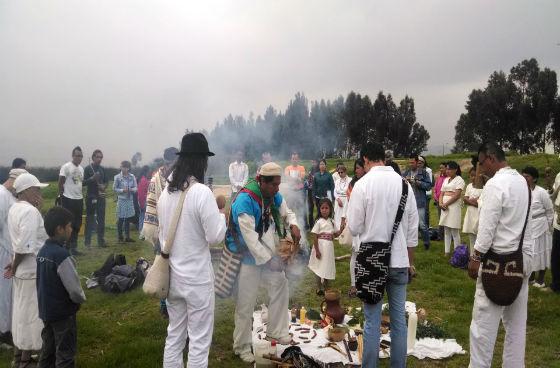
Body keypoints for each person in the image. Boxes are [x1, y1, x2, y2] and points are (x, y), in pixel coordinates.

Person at [157, 133, 226, 368]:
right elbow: (215, 236)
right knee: (198, 341)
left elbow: (162, 235)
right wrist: (221, 215)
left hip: (173, 278)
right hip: (196, 280)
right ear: (201, 161)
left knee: (174, 336)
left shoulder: (165, 193)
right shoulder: (202, 192)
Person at [347, 142, 418, 368]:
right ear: (384, 158)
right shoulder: (404, 185)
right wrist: (410, 262)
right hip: (398, 261)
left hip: (371, 261)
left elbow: (355, 227)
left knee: (371, 321)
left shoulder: (362, 185)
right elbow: (413, 230)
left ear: (366, 159)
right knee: (398, 320)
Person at [226, 162, 301, 364]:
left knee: (280, 284)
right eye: (274, 185)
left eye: (278, 184)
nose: (278, 189)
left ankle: (275, 331)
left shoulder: (272, 194)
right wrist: (270, 261)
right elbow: (250, 240)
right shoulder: (244, 201)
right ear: (262, 182)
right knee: (246, 302)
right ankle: (241, 346)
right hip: (246, 256)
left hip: (264, 251)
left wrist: (293, 224)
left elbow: (287, 211)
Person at [467, 143, 533, 367]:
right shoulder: (524, 183)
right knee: (516, 328)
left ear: (492, 159)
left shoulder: (496, 185)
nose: (481, 168)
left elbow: (487, 227)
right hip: (519, 262)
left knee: (482, 330)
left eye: (482, 162)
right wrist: (527, 262)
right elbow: (529, 226)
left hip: (495, 263)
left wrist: (476, 257)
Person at [4, 173, 49, 367]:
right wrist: (14, 264)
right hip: (31, 270)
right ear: (27, 191)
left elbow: (18, 241)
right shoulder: (30, 212)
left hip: (23, 269)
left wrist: (14, 261)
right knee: (32, 314)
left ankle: (20, 355)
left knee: (21, 313)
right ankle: (28, 357)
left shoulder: (15, 208)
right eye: (37, 189)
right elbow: (25, 244)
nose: (39, 193)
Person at [37, 206, 86, 368]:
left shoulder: (42, 252)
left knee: (47, 351)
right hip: (63, 313)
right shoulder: (62, 255)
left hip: (46, 311)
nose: (71, 229)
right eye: (69, 226)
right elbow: (74, 289)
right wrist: (80, 299)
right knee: (65, 354)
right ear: (60, 229)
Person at [142, 147, 178, 319]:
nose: (174, 165)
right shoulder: (156, 179)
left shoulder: (180, 177)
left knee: (175, 268)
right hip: (161, 230)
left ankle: (175, 300)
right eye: (172, 162)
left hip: (177, 230)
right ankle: (164, 304)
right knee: (163, 266)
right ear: (166, 162)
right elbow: (151, 204)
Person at [0, 168, 27, 346]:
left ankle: (8, 329)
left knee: (10, 292)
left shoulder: (10, 195)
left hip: (10, 249)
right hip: (3, 250)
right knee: (4, 292)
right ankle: (3, 332)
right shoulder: (1, 195)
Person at [521, 166, 554, 288]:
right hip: (528, 227)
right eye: (523, 176)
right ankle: (531, 278)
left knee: (542, 251)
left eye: (527, 176)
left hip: (541, 227)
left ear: (534, 179)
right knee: (530, 252)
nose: (524, 178)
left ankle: (541, 280)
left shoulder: (541, 192)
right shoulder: (522, 191)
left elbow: (549, 211)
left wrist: (549, 227)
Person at [308, 198, 343, 295]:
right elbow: (314, 236)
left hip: (329, 249)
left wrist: (341, 230)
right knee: (319, 267)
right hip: (320, 247)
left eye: (326, 208)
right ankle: (319, 288)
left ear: (330, 209)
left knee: (327, 266)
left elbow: (335, 234)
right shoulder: (318, 222)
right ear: (319, 209)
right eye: (322, 208)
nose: (324, 210)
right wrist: (317, 251)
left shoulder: (332, 222)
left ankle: (327, 287)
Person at [58, 147, 84, 255]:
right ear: (73, 156)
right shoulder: (66, 167)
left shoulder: (82, 169)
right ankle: (65, 248)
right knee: (68, 224)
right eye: (77, 155)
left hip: (79, 199)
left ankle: (74, 248)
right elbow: (60, 182)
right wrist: (60, 195)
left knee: (78, 224)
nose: (79, 158)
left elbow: (79, 183)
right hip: (68, 199)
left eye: (81, 156)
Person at [402, 155, 432, 250]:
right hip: (408, 202)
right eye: (409, 162)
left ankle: (427, 243)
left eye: (413, 162)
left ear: (417, 162)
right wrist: (405, 182)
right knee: (407, 223)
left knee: (422, 225)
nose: (411, 164)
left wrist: (417, 182)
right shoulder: (406, 172)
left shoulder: (424, 173)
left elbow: (428, 186)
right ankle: (408, 244)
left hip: (419, 202)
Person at [346, 159, 365, 298]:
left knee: (365, 255)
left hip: (368, 224)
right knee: (355, 254)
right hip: (356, 221)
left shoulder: (370, 182)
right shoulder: (352, 184)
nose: (357, 170)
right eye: (356, 168)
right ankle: (353, 284)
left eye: (359, 168)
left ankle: (363, 283)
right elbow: (351, 203)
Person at [438, 161, 465, 256]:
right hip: (444, 206)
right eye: (447, 169)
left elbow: (457, 195)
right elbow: (442, 193)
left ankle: (457, 253)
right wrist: (441, 203)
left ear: (455, 170)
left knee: (454, 230)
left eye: (449, 169)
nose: (447, 171)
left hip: (453, 206)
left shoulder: (459, 180)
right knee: (446, 229)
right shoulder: (446, 179)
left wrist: (446, 204)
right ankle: (447, 251)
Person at [83, 149, 108, 248]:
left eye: (101, 157)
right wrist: (92, 178)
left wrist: (104, 186)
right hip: (91, 197)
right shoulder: (88, 169)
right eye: (97, 157)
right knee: (90, 219)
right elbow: (83, 182)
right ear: (93, 157)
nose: (99, 159)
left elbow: (106, 182)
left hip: (101, 197)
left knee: (101, 220)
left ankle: (101, 241)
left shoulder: (102, 169)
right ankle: (87, 243)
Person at [113, 161, 137, 243]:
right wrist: (122, 190)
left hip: (129, 200)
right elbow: (114, 189)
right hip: (122, 200)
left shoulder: (132, 176)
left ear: (128, 168)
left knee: (128, 219)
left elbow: (135, 188)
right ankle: (120, 238)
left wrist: (130, 189)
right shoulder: (117, 177)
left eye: (126, 167)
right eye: (122, 166)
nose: (124, 168)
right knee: (120, 219)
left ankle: (127, 237)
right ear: (121, 167)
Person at [283, 152, 307, 235]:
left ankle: (302, 227)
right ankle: (288, 227)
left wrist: (293, 179)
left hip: (299, 192)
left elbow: (302, 178)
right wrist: (296, 179)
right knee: (289, 210)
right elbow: (287, 177)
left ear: (298, 159)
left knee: (300, 210)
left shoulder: (301, 168)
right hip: (290, 192)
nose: (294, 160)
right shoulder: (287, 168)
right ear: (291, 159)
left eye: (296, 158)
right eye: (293, 158)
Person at [463, 167, 483, 254]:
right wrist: (474, 202)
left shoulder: (483, 187)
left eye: (475, 175)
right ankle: (472, 255)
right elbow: (465, 199)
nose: (473, 178)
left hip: (479, 213)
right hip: (470, 213)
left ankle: (479, 256)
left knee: (479, 235)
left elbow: (482, 202)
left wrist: (474, 202)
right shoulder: (469, 186)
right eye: (471, 176)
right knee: (471, 235)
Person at [433, 162, 447, 241]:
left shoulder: (447, 179)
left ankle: (446, 236)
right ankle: (440, 236)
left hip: (445, 201)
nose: (441, 169)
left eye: (442, 168)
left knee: (446, 218)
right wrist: (435, 196)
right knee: (440, 218)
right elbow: (435, 189)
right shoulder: (439, 178)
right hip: (438, 201)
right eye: (440, 168)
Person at [551, 166, 560, 293]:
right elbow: (554, 193)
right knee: (557, 254)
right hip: (558, 222)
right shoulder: (559, 175)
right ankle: (556, 284)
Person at [333, 165, 350, 230]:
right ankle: (337, 230)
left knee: (345, 215)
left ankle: (345, 231)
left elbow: (350, 191)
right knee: (337, 215)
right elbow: (334, 191)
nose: (340, 174)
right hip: (338, 200)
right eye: (339, 172)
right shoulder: (337, 181)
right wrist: (337, 199)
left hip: (346, 200)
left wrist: (346, 200)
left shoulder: (350, 180)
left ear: (345, 172)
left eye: (341, 172)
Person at [304, 159, 319, 229]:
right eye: (312, 162)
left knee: (319, 209)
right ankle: (311, 226)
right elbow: (307, 181)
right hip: (310, 192)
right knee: (310, 210)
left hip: (318, 192)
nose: (313, 163)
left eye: (314, 162)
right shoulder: (310, 170)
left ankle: (318, 225)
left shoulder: (319, 171)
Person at [418, 156, 432, 230]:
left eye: (420, 163)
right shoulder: (413, 171)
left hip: (427, 194)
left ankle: (426, 227)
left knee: (425, 212)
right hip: (417, 195)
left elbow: (429, 183)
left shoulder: (428, 170)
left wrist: (419, 183)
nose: (418, 164)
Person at [137, 165, 151, 235]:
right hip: (143, 201)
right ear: (146, 171)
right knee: (142, 216)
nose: (149, 173)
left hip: (142, 201)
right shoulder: (143, 180)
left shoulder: (143, 179)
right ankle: (141, 231)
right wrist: (142, 204)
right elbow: (142, 193)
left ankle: (142, 231)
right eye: (148, 171)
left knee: (142, 216)